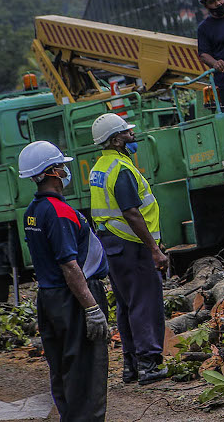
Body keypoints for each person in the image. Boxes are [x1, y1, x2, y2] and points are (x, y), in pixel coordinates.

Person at [20, 141, 110, 421]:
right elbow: (70, 266)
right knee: (86, 372)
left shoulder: (33, 212)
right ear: (53, 172)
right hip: (73, 298)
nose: (66, 169)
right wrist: (92, 308)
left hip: (50, 298)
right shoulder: (59, 212)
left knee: (63, 369)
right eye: (61, 165)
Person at [88, 113, 168, 385]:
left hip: (112, 244)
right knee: (145, 302)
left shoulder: (100, 167)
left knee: (126, 304)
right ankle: (149, 364)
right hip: (132, 244)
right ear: (115, 139)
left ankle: (131, 366)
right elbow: (132, 212)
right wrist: (154, 249)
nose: (132, 136)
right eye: (126, 133)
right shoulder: (121, 169)